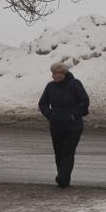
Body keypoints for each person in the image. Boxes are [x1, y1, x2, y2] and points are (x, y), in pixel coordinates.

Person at [38, 61, 90, 189]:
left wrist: (74, 114)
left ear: (64, 74)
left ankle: (62, 176)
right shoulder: (50, 87)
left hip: (73, 126)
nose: (56, 76)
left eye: (58, 73)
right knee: (59, 152)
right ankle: (63, 179)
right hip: (56, 125)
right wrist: (50, 115)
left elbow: (84, 101)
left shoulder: (75, 84)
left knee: (68, 151)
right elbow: (42, 103)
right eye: (54, 74)